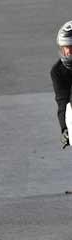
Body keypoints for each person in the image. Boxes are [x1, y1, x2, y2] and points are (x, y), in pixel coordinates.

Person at [51, 21, 72, 149]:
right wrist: (65, 128)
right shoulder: (58, 71)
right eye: (66, 48)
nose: (68, 53)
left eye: (71, 48)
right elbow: (62, 101)